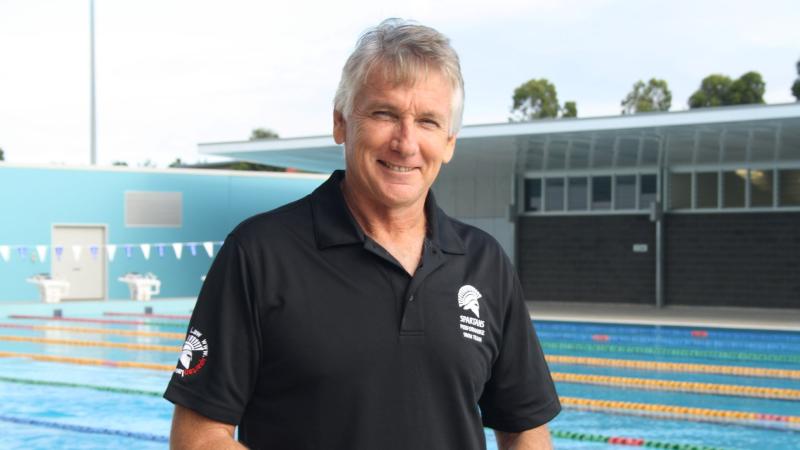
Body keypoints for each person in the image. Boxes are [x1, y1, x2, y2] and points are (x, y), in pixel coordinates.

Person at [164, 18, 560, 450]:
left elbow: (525, 427)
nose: (406, 143)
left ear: (449, 142)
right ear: (341, 122)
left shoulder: (483, 262)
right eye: (385, 114)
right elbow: (198, 438)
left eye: (428, 122)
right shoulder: (260, 253)